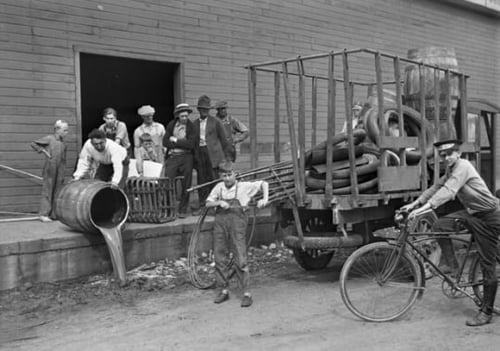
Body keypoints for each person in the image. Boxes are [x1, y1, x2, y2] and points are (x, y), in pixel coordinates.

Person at [400, 139, 500, 327]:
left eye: (449, 154)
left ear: (458, 154)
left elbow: (448, 191)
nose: (445, 158)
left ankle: (486, 312)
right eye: (443, 155)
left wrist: (423, 210)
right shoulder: (450, 169)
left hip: (488, 217)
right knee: (440, 225)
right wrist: (415, 204)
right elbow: (436, 187)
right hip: (472, 213)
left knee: (488, 265)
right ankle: (452, 266)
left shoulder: (463, 166)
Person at [206, 160, 269, 307]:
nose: (227, 178)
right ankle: (223, 290)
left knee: (240, 257)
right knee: (220, 256)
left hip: (237, 225)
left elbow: (263, 184)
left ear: (235, 174)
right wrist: (219, 203)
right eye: (224, 175)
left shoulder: (244, 187)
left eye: (229, 175)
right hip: (220, 225)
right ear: (220, 176)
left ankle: (246, 293)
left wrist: (265, 199)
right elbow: (208, 203)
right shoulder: (218, 188)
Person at [193, 95, 231, 205]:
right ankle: (203, 204)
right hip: (200, 153)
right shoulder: (194, 124)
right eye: (202, 109)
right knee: (202, 179)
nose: (204, 111)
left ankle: (215, 204)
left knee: (213, 179)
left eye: (206, 109)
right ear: (198, 109)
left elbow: (224, 141)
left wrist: (224, 158)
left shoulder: (215, 122)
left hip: (213, 155)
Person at [163, 103, 199, 218]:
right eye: (182, 116)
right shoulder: (171, 125)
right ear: (177, 115)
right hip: (173, 157)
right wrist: (180, 142)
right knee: (167, 181)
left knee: (186, 183)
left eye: (186, 116)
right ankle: (168, 209)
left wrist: (175, 140)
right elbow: (165, 141)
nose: (184, 118)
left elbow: (191, 144)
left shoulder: (191, 127)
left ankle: (183, 209)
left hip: (187, 157)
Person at [30, 120, 69, 222]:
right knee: (48, 190)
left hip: (60, 169)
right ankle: (43, 214)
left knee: (58, 191)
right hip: (50, 168)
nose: (67, 132)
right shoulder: (49, 139)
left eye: (67, 130)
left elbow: (64, 159)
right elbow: (34, 144)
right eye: (65, 130)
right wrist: (43, 151)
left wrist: (63, 171)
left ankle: (54, 214)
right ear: (57, 129)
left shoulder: (64, 143)